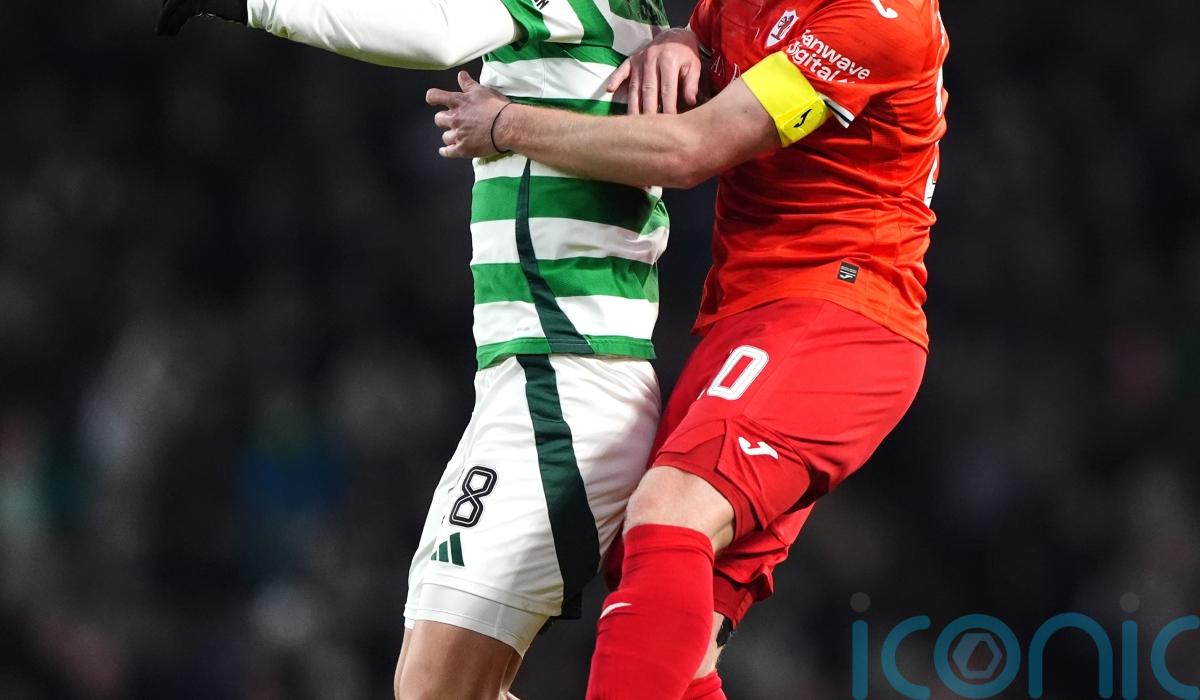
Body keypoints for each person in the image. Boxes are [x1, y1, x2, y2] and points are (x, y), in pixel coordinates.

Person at [427, 0, 949, 697]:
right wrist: (684, 41)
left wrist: (506, 124)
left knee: (671, 510)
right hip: (748, 315)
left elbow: (690, 151)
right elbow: (719, 46)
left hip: (840, 313)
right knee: (670, 605)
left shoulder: (879, 19)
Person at [156, 1, 671, 698]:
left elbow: (441, 31)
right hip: (539, 380)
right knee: (441, 686)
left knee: (435, 688)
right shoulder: (630, 17)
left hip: (565, 385)